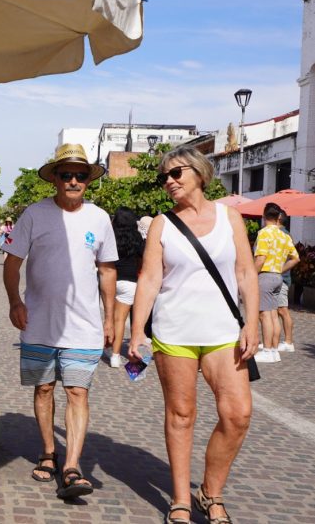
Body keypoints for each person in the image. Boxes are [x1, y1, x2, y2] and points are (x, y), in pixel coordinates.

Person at [129, 146, 258, 524]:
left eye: (176, 174)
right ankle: (181, 499)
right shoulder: (162, 224)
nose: (169, 182)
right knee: (181, 415)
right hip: (175, 331)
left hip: (223, 331)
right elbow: (150, 279)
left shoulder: (229, 217)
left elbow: (246, 273)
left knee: (238, 414)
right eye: (164, 177)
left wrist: (251, 322)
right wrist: (137, 330)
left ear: (200, 173)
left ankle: (211, 492)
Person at [1, 143, 116, 500]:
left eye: (80, 175)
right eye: (66, 175)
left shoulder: (99, 218)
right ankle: (49, 451)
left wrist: (111, 318)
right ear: (54, 178)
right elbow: (12, 263)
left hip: (85, 325)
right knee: (45, 388)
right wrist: (14, 301)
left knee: (78, 392)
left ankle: (72, 465)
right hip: (38, 321)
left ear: (88, 181)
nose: (73, 181)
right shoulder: (34, 214)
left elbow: (107, 270)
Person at [252, 202, 299, 363]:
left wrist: (251, 274)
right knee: (272, 314)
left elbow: (261, 258)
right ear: (279, 217)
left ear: (264, 216)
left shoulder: (264, 233)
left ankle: (267, 350)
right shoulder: (284, 235)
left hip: (265, 275)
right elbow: (296, 258)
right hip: (278, 277)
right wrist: (281, 268)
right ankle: (273, 350)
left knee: (265, 314)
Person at [107, 207, 145, 368]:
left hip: (110, 279)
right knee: (121, 320)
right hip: (129, 281)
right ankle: (115, 356)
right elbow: (143, 259)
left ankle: (108, 347)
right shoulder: (137, 238)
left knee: (110, 317)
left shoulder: (110, 236)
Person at [275, 210, 296, 353]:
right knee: (275, 311)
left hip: (282, 278)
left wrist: (279, 270)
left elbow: (293, 257)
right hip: (279, 277)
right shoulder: (281, 234)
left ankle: (289, 341)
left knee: (283, 310)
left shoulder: (284, 235)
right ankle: (273, 342)